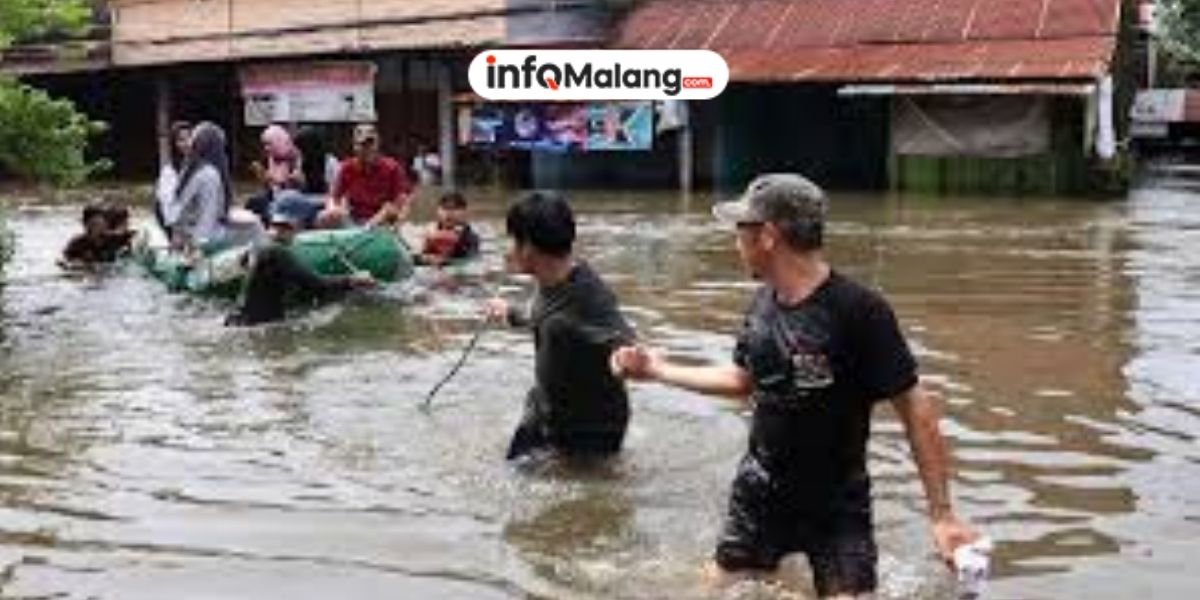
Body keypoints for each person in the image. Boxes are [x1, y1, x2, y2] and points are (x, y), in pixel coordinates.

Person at [611, 174, 980, 599]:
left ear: (767, 236)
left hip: (837, 503)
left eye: (741, 231)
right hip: (761, 490)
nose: (735, 243)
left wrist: (942, 515)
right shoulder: (762, 304)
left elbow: (916, 409)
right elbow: (743, 381)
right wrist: (657, 369)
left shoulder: (859, 310)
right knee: (717, 591)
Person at [484, 191, 634, 461]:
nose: (509, 251)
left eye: (513, 241)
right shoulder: (550, 280)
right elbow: (542, 317)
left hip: (587, 432)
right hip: (544, 413)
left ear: (528, 247)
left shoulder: (587, 296)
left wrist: (627, 357)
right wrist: (509, 313)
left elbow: (621, 337)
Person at [226, 203, 375, 326]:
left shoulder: (255, 247)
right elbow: (317, 284)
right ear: (294, 229)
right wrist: (352, 280)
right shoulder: (279, 253)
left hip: (236, 319)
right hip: (257, 326)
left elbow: (245, 265)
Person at [169, 122, 263, 251]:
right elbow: (209, 218)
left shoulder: (188, 169)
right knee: (255, 227)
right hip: (202, 238)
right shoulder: (210, 174)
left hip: (185, 232)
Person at [317, 123, 412, 229]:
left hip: (382, 220)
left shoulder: (392, 167)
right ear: (355, 147)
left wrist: (395, 218)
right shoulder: (347, 167)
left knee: (388, 209)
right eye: (362, 145)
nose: (367, 149)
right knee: (324, 217)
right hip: (353, 218)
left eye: (371, 144)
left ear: (377, 144)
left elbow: (401, 201)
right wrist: (333, 209)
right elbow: (334, 197)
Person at [246, 124, 304, 226]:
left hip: (292, 197)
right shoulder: (270, 158)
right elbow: (269, 186)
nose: (266, 148)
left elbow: (293, 182)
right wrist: (262, 175)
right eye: (264, 145)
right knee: (254, 202)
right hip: (274, 196)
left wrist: (273, 178)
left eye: (269, 144)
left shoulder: (294, 157)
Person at [418, 191, 480, 266]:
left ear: (464, 212)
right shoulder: (430, 234)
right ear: (438, 211)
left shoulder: (470, 237)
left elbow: (472, 260)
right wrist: (426, 258)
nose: (449, 213)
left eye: (455, 208)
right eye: (445, 208)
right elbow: (421, 258)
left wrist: (444, 261)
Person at [59, 204, 128, 269]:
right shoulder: (76, 244)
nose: (96, 229)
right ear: (85, 225)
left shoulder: (115, 240)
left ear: (106, 225)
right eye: (93, 225)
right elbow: (64, 260)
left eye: (99, 224)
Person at [155, 121, 191, 233]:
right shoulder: (170, 172)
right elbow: (167, 204)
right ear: (174, 144)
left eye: (190, 137)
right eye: (181, 140)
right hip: (180, 224)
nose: (187, 143)